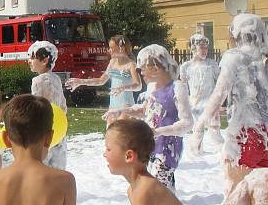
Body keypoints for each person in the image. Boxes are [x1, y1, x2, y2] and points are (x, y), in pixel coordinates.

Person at [198, 13, 268, 200]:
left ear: (237, 34)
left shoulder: (234, 58)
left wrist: (199, 125)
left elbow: (218, 95)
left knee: (234, 193)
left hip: (244, 134)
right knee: (261, 196)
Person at [116, 45, 193, 191]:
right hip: (151, 145)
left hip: (168, 148)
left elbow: (188, 123)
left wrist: (158, 131)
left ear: (156, 68)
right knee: (160, 188)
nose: (141, 74)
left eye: (143, 70)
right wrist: (120, 110)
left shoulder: (177, 87)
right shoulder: (152, 87)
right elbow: (144, 110)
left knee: (156, 188)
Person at [66, 35, 141, 121]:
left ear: (122, 48)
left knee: (122, 132)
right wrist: (80, 81)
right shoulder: (112, 62)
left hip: (126, 106)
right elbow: (101, 81)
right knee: (110, 132)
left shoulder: (131, 64)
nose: (109, 51)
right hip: (113, 105)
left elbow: (138, 86)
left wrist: (123, 88)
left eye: (112, 48)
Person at [27, 40, 68, 170]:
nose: (28, 60)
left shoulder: (37, 81)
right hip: (59, 127)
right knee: (58, 164)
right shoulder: (56, 78)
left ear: (45, 60)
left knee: (42, 165)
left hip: (44, 127)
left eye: (32, 57)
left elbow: (36, 106)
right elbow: (63, 105)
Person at [178, 33, 222, 155]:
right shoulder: (186, 66)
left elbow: (220, 82)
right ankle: (197, 153)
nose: (204, 50)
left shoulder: (211, 64)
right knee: (198, 129)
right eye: (201, 47)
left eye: (206, 48)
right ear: (193, 49)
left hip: (210, 102)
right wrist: (183, 103)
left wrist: (219, 101)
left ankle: (223, 153)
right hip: (195, 103)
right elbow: (183, 86)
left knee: (214, 128)